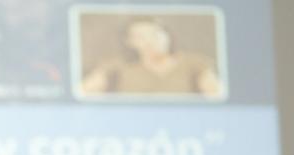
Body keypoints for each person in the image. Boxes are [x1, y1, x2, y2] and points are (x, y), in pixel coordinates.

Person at [81, 16, 222, 97]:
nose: (151, 41)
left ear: (167, 35)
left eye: (156, 33)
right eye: (142, 37)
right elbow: (84, 91)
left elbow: (217, 96)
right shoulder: (117, 66)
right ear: (130, 42)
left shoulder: (194, 63)